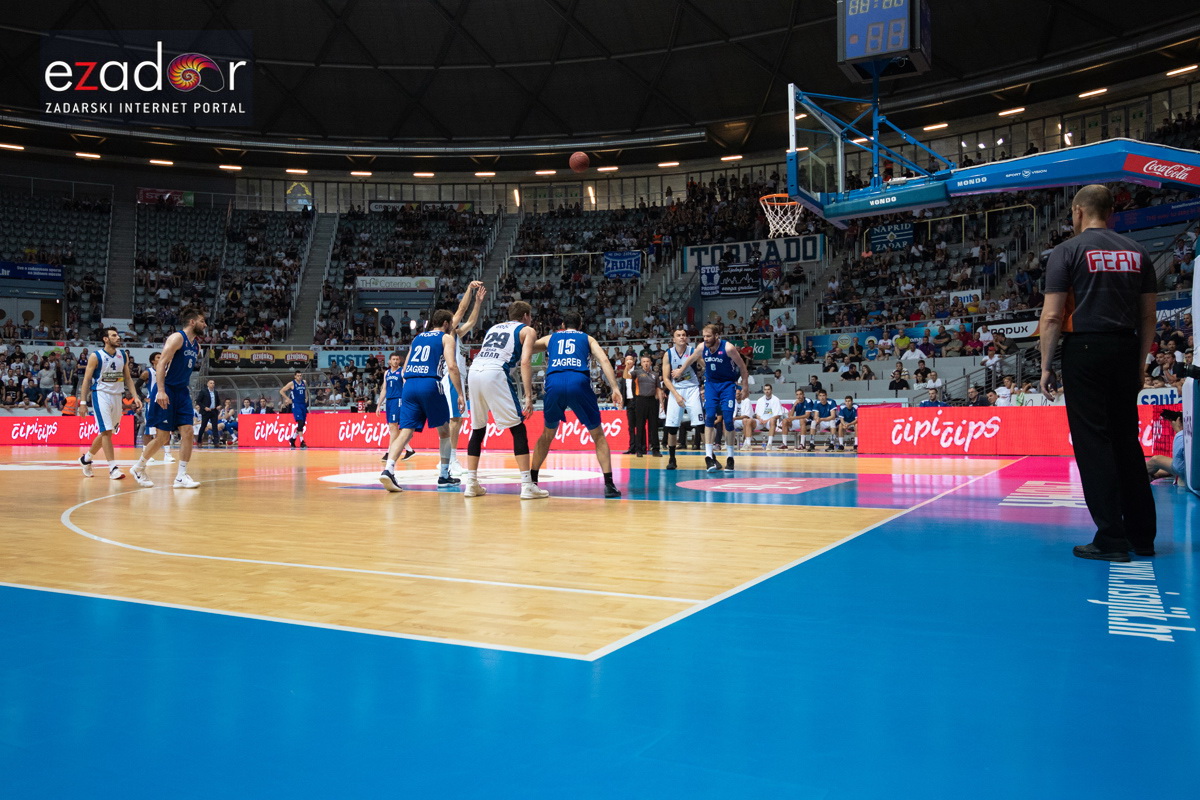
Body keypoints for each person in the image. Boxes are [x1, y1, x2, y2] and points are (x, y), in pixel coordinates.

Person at [1039, 184, 1158, 562]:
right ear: (1111, 212)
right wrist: (1140, 363)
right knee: (1126, 440)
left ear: (1077, 211)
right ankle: (1143, 537)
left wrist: (1045, 365)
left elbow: (1053, 314)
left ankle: (1111, 538)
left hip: (1086, 350)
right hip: (1126, 349)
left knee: (1095, 444)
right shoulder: (1138, 252)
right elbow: (1148, 317)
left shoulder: (1067, 251)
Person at [529, 311, 622, 498]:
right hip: (578, 381)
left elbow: (528, 346)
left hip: (554, 382)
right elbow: (603, 360)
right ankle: (609, 485)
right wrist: (614, 388)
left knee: (547, 434)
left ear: (563, 324)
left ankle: (531, 481)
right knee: (598, 435)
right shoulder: (588, 338)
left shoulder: (551, 337)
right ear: (580, 324)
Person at [462, 301, 547, 499]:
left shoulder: (494, 327)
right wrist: (528, 396)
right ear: (526, 315)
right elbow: (525, 361)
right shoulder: (527, 330)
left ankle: (471, 483)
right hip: (495, 371)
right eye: (531, 315)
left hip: (474, 371)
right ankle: (527, 484)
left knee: (478, 428)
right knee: (518, 428)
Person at [379, 309, 465, 492]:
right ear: (447, 324)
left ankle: (388, 469)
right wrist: (460, 393)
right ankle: (443, 475)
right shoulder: (446, 338)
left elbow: (405, 367)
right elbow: (452, 366)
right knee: (444, 432)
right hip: (430, 384)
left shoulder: (418, 338)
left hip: (409, 385)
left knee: (405, 432)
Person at [130, 307, 206, 489]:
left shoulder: (197, 345)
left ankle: (181, 476)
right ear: (192, 322)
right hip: (167, 390)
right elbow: (162, 363)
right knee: (162, 437)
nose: (205, 325)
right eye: (202, 321)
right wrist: (161, 390)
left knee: (187, 431)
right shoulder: (177, 338)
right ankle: (139, 467)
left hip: (182, 391)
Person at [671, 323, 750, 473]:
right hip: (711, 385)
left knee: (727, 419)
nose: (705, 339)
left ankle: (730, 457)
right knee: (709, 418)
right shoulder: (702, 347)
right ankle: (708, 457)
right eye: (704, 336)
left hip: (727, 385)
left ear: (716, 336)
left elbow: (742, 367)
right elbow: (691, 358)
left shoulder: (728, 348)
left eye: (708, 336)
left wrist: (745, 386)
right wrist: (681, 370)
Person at [77, 326, 141, 481]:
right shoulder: (96, 356)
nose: (118, 337)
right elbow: (86, 379)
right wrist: (83, 402)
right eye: (114, 335)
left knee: (108, 432)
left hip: (117, 396)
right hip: (101, 395)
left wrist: (135, 396)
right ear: (105, 339)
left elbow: (128, 378)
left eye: (118, 335)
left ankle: (86, 459)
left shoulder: (123, 355)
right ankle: (113, 468)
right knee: (106, 432)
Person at [442, 281, 485, 474]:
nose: (456, 321)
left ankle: (446, 459)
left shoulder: (456, 334)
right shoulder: (447, 334)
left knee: (452, 421)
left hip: (453, 379)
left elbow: (472, 322)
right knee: (455, 419)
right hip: (450, 379)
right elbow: (461, 309)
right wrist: (469, 289)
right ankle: (451, 460)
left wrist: (478, 302)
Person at [660, 328, 703, 470]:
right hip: (676, 390)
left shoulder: (693, 351)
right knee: (672, 427)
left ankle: (710, 457)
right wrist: (676, 395)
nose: (682, 337)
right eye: (678, 335)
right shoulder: (668, 354)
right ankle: (672, 458)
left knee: (701, 425)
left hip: (692, 389)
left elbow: (706, 366)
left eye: (684, 335)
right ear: (673, 339)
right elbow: (666, 378)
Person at [376, 352, 416, 465]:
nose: (395, 361)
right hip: (389, 401)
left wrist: (407, 400)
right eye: (393, 359)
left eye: (397, 359)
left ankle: (389, 452)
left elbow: (407, 385)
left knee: (393, 426)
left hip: (398, 399)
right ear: (389, 361)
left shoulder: (402, 372)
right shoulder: (387, 373)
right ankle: (409, 450)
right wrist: (379, 404)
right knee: (392, 428)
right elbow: (384, 389)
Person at [139, 353, 175, 465]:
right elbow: (136, 386)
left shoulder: (167, 371)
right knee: (149, 430)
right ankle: (145, 453)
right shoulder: (147, 372)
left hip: (165, 402)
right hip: (152, 403)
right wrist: (143, 397)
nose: (160, 358)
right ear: (152, 361)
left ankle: (167, 454)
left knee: (166, 428)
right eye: (158, 357)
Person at [630, 355, 662, 457]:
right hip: (640, 400)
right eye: (644, 361)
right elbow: (626, 376)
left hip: (652, 401)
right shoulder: (637, 372)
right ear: (641, 363)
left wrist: (661, 403)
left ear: (651, 363)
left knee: (654, 426)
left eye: (647, 361)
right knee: (640, 426)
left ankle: (656, 450)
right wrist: (627, 366)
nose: (646, 363)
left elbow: (658, 389)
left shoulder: (655, 374)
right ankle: (639, 450)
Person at [1146, 410, 1186, 485]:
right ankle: (1155, 475)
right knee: (1163, 468)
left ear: (1178, 422)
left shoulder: (1181, 436)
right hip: (1190, 468)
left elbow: (1178, 466)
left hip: (1189, 472)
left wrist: (1178, 431)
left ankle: (1134, 477)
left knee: (1156, 460)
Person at [279, 371, 309, 448]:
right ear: (295, 376)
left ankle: (293, 439)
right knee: (300, 422)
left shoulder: (304, 382)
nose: (300, 377)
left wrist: (306, 397)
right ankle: (302, 441)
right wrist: (288, 399)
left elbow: (305, 390)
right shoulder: (291, 383)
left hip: (303, 404)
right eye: (298, 376)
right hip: (296, 404)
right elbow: (281, 391)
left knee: (302, 424)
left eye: (300, 375)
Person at [752, 383, 784, 450]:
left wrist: (767, 420)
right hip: (761, 422)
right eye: (765, 389)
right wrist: (759, 419)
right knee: (748, 421)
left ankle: (769, 444)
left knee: (773, 421)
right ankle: (747, 443)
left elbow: (778, 415)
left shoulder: (776, 400)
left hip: (769, 422)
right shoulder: (760, 400)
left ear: (771, 390)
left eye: (768, 389)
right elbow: (756, 414)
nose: (767, 391)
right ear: (763, 390)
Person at [196, 379, 221, 447]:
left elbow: (218, 401)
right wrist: (204, 407)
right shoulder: (203, 391)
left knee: (215, 426)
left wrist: (219, 406)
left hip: (214, 411)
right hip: (206, 411)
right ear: (207, 384)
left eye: (213, 383)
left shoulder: (215, 392)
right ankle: (199, 441)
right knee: (203, 426)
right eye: (211, 383)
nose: (212, 384)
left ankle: (216, 442)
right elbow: (198, 401)